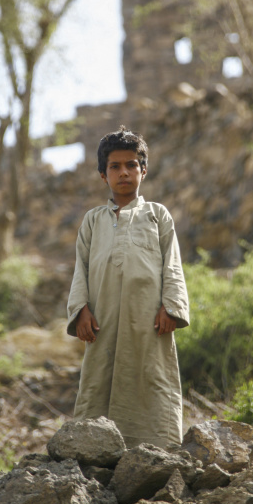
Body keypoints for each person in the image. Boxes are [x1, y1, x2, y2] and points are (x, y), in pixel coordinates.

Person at [67, 125, 189, 449]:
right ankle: (92, 452)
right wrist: (79, 310)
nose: (124, 172)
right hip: (102, 322)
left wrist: (172, 306)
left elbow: (172, 264)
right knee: (98, 386)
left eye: (131, 165)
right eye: (115, 167)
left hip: (150, 321)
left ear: (143, 170)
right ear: (102, 175)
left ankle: (160, 452)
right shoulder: (93, 221)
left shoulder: (157, 215)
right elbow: (81, 267)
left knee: (153, 379)